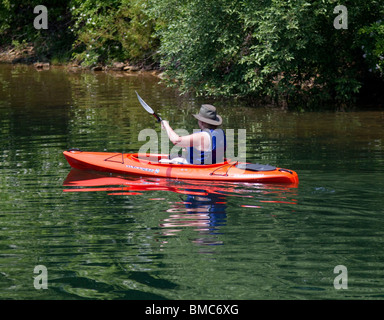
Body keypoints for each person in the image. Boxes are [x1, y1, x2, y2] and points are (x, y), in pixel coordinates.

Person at [160, 104, 226, 164]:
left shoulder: (201, 136)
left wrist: (166, 125)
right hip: (214, 164)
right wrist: (188, 148)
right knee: (173, 156)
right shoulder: (220, 133)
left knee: (163, 161)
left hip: (199, 167)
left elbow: (176, 140)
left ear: (202, 122)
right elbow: (208, 150)